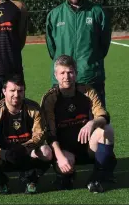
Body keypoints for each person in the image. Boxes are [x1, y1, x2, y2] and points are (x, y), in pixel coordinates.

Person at [41, 55, 116, 193]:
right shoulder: (50, 98)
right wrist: (60, 157)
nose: (66, 76)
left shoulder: (88, 91)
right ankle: (65, 175)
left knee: (107, 130)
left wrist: (92, 123)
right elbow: (49, 133)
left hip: (87, 147)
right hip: (65, 150)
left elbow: (104, 116)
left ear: (76, 73)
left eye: (70, 72)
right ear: (56, 75)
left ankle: (97, 177)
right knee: (65, 179)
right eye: (62, 73)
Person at [46, 0, 111, 107]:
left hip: (90, 77)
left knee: (98, 121)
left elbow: (104, 45)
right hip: (63, 80)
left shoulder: (97, 12)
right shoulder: (54, 15)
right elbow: (52, 48)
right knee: (63, 123)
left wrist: (90, 63)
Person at [0, 75, 52, 194]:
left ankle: (31, 180)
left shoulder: (33, 108)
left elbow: (40, 134)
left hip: (26, 152)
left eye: (20, 91)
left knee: (46, 151)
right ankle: (3, 181)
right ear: (4, 91)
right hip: (4, 156)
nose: (16, 95)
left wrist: (25, 147)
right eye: (12, 91)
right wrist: (2, 153)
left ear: (24, 91)